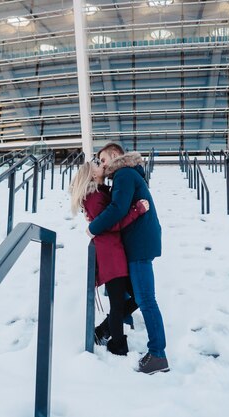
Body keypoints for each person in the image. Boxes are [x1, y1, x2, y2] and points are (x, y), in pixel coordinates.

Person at [87, 143, 169, 374]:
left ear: (114, 156)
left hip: (139, 244)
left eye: (103, 160)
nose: (102, 165)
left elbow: (117, 209)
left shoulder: (123, 174)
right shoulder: (126, 175)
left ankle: (158, 354)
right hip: (138, 242)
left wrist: (93, 227)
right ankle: (105, 330)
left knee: (145, 299)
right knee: (137, 296)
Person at [70, 161, 147, 356]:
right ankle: (118, 345)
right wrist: (136, 211)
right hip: (110, 255)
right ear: (92, 174)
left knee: (137, 297)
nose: (101, 164)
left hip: (115, 251)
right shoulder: (94, 197)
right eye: (97, 164)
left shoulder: (101, 192)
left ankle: (103, 331)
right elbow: (110, 224)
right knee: (120, 302)